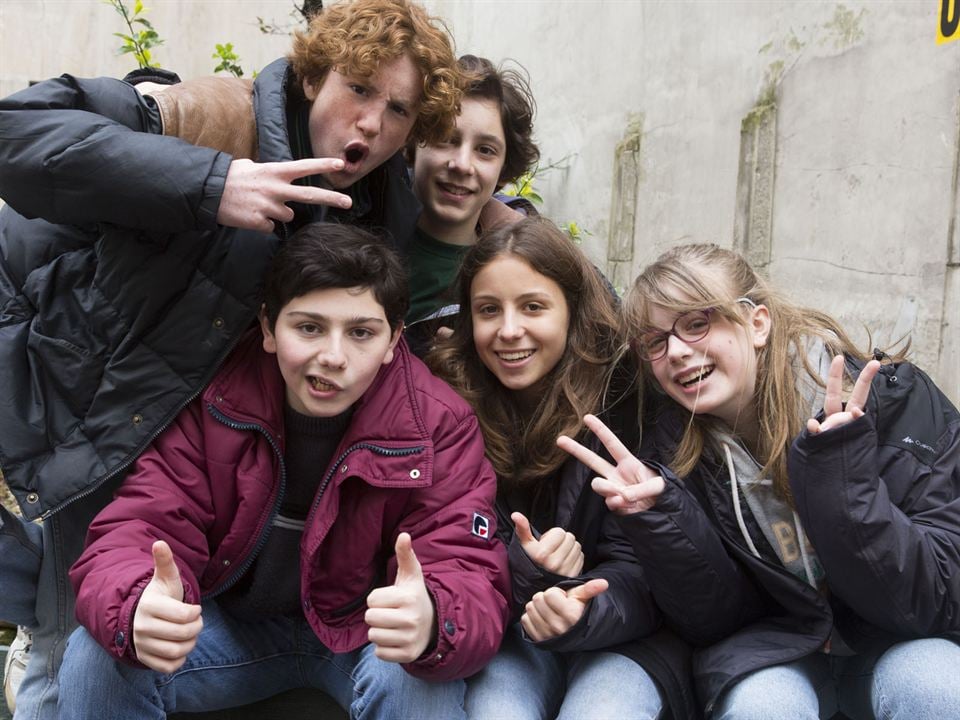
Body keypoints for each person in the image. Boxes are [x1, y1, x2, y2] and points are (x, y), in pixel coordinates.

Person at [0, 1, 469, 716]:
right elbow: (18, 132)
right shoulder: (215, 114)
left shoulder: (379, 206)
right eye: (359, 88)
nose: (371, 122)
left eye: (397, 109)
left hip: (179, 436)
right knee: (74, 640)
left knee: (93, 607)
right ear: (316, 78)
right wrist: (210, 183)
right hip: (81, 392)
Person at [55, 223, 510, 719]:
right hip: (229, 630)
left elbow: (465, 563)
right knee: (95, 656)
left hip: (363, 636)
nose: (333, 357)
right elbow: (142, 522)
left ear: (393, 340)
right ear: (269, 328)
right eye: (309, 327)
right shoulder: (215, 397)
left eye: (361, 332)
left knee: (419, 679)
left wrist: (433, 617)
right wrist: (139, 601)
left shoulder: (438, 423)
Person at [560, 243, 960, 719]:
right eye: (655, 340)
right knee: (761, 707)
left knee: (938, 688)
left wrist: (842, 479)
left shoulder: (896, 404)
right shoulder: (667, 448)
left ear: (757, 323)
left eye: (696, 323)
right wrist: (659, 519)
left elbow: (939, 593)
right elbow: (714, 621)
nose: (678, 352)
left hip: (898, 639)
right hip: (781, 649)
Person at [428, 218, 697, 720]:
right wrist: (534, 574)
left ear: (572, 310)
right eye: (489, 310)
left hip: (627, 636)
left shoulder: (629, 398)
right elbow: (449, 548)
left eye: (533, 307)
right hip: (511, 631)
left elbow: (655, 567)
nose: (509, 331)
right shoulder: (449, 405)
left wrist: (580, 602)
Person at [403, 54, 539, 353]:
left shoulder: (528, 262)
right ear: (413, 142)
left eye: (486, 150)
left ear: (504, 168)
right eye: (446, 138)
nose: (463, 165)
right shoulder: (364, 237)